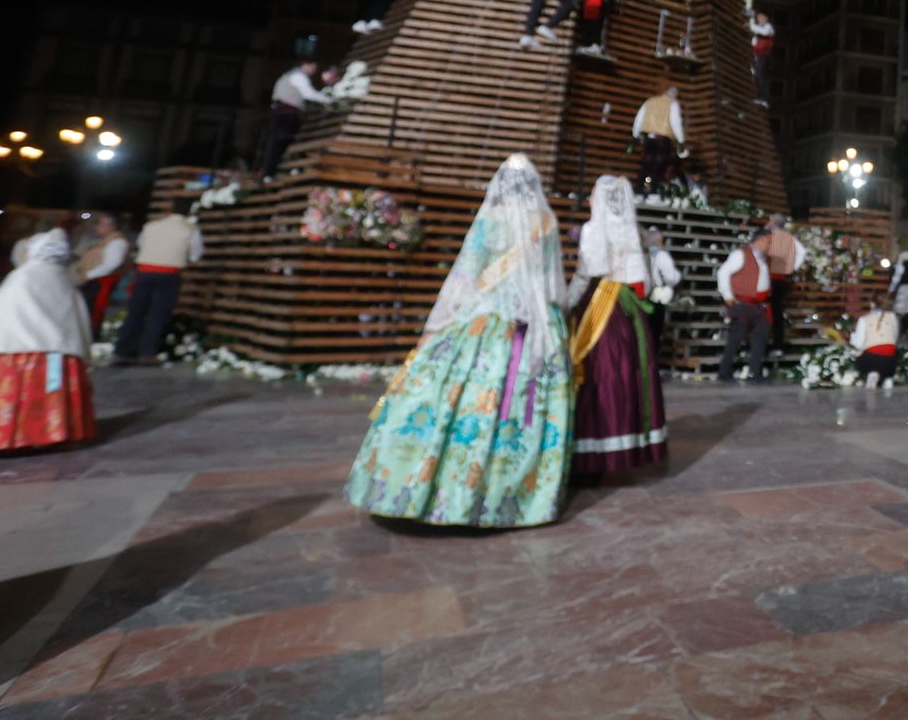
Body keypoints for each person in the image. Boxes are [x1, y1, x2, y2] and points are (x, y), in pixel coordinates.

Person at [345, 156, 573, 525]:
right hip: (536, 325)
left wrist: (437, 326)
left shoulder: (490, 219)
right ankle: (512, 494)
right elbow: (551, 283)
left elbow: (465, 275)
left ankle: (441, 491)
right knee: (525, 404)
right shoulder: (545, 222)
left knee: (448, 393)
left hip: (486, 318)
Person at [566, 176, 665, 475]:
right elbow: (644, 281)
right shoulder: (631, 231)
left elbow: (585, 274)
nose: (590, 200)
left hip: (599, 305)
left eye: (593, 195)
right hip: (628, 310)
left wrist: (565, 304)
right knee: (627, 372)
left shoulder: (593, 229)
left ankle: (594, 449)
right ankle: (626, 442)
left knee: (597, 373)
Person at [0, 229, 97, 452]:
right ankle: (51, 433)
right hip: (57, 354)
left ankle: (7, 438)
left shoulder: (21, 277)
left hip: (13, 351)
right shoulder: (65, 281)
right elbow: (77, 321)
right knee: (49, 392)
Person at [113, 198, 204, 365]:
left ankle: (122, 351)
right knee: (158, 314)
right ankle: (147, 353)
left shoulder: (151, 226)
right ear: (190, 212)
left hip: (144, 271)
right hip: (170, 274)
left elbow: (141, 244)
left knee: (135, 312)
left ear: (171, 209)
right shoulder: (190, 229)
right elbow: (195, 255)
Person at [716, 228, 775, 382]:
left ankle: (755, 372)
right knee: (735, 338)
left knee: (760, 337)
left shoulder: (763, 258)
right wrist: (728, 296)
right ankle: (724, 371)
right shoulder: (741, 255)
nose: (770, 246)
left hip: (759, 305)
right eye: (768, 242)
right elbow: (723, 272)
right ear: (760, 241)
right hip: (742, 303)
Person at [262, 58, 328, 178]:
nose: (314, 71)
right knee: (283, 142)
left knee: (282, 142)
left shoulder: (289, 75)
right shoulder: (298, 76)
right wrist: (329, 100)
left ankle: (273, 172)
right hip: (287, 114)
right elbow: (309, 94)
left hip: (282, 113)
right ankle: (271, 172)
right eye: (314, 67)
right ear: (306, 65)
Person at [76, 213, 130, 334]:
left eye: (101, 224)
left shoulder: (117, 242)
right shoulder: (103, 241)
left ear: (111, 226)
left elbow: (112, 263)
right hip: (93, 280)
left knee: (94, 313)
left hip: (101, 282)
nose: (98, 227)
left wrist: (89, 275)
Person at [761, 213, 806, 351]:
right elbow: (802, 252)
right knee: (775, 312)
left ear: (773, 223)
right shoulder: (786, 237)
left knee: (771, 312)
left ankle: (771, 344)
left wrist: (791, 268)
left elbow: (802, 252)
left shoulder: (772, 236)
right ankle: (775, 345)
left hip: (771, 279)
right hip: (776, 279)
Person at [633, 84, 686, 195]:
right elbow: (675, 123)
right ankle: (652, 193)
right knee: (658, 166)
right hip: (663, 139)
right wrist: (681, 141)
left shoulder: (650, 101)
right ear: (675, 95)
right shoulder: (673, 104)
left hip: (649, 138)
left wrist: (635, 135)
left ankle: (639, 192)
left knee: (646, 165)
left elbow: (639, 119)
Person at [645, 227, 682, 373]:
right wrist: (678, 277)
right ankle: (651, 365)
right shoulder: (662, 255)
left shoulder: (645, 254)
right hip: (657, 296)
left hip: (644, 295)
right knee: (654, 333)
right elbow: (671, 277)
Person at [849, 294, 900, 390]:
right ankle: (887, 378)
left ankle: (873, 372)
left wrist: (852, 339)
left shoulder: (864, 319)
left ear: (872, 304)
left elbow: (859, 343)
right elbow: (895, 337)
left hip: (872, 357)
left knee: (860, 357)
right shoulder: (892, 317)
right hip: (890, 356)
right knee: (893, 354)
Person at [749, 12, 775, 105]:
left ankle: (763, 98)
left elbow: (764, 32)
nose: (759, 19)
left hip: (764, 56)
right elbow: (753, 44)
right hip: (759, 56)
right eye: (758, 18)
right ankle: (762, 98)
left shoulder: (768, 27)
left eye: (761, 17)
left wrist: (751, 25)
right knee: (760, 76)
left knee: (761, 76)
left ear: (766, 18)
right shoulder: (758, 32)